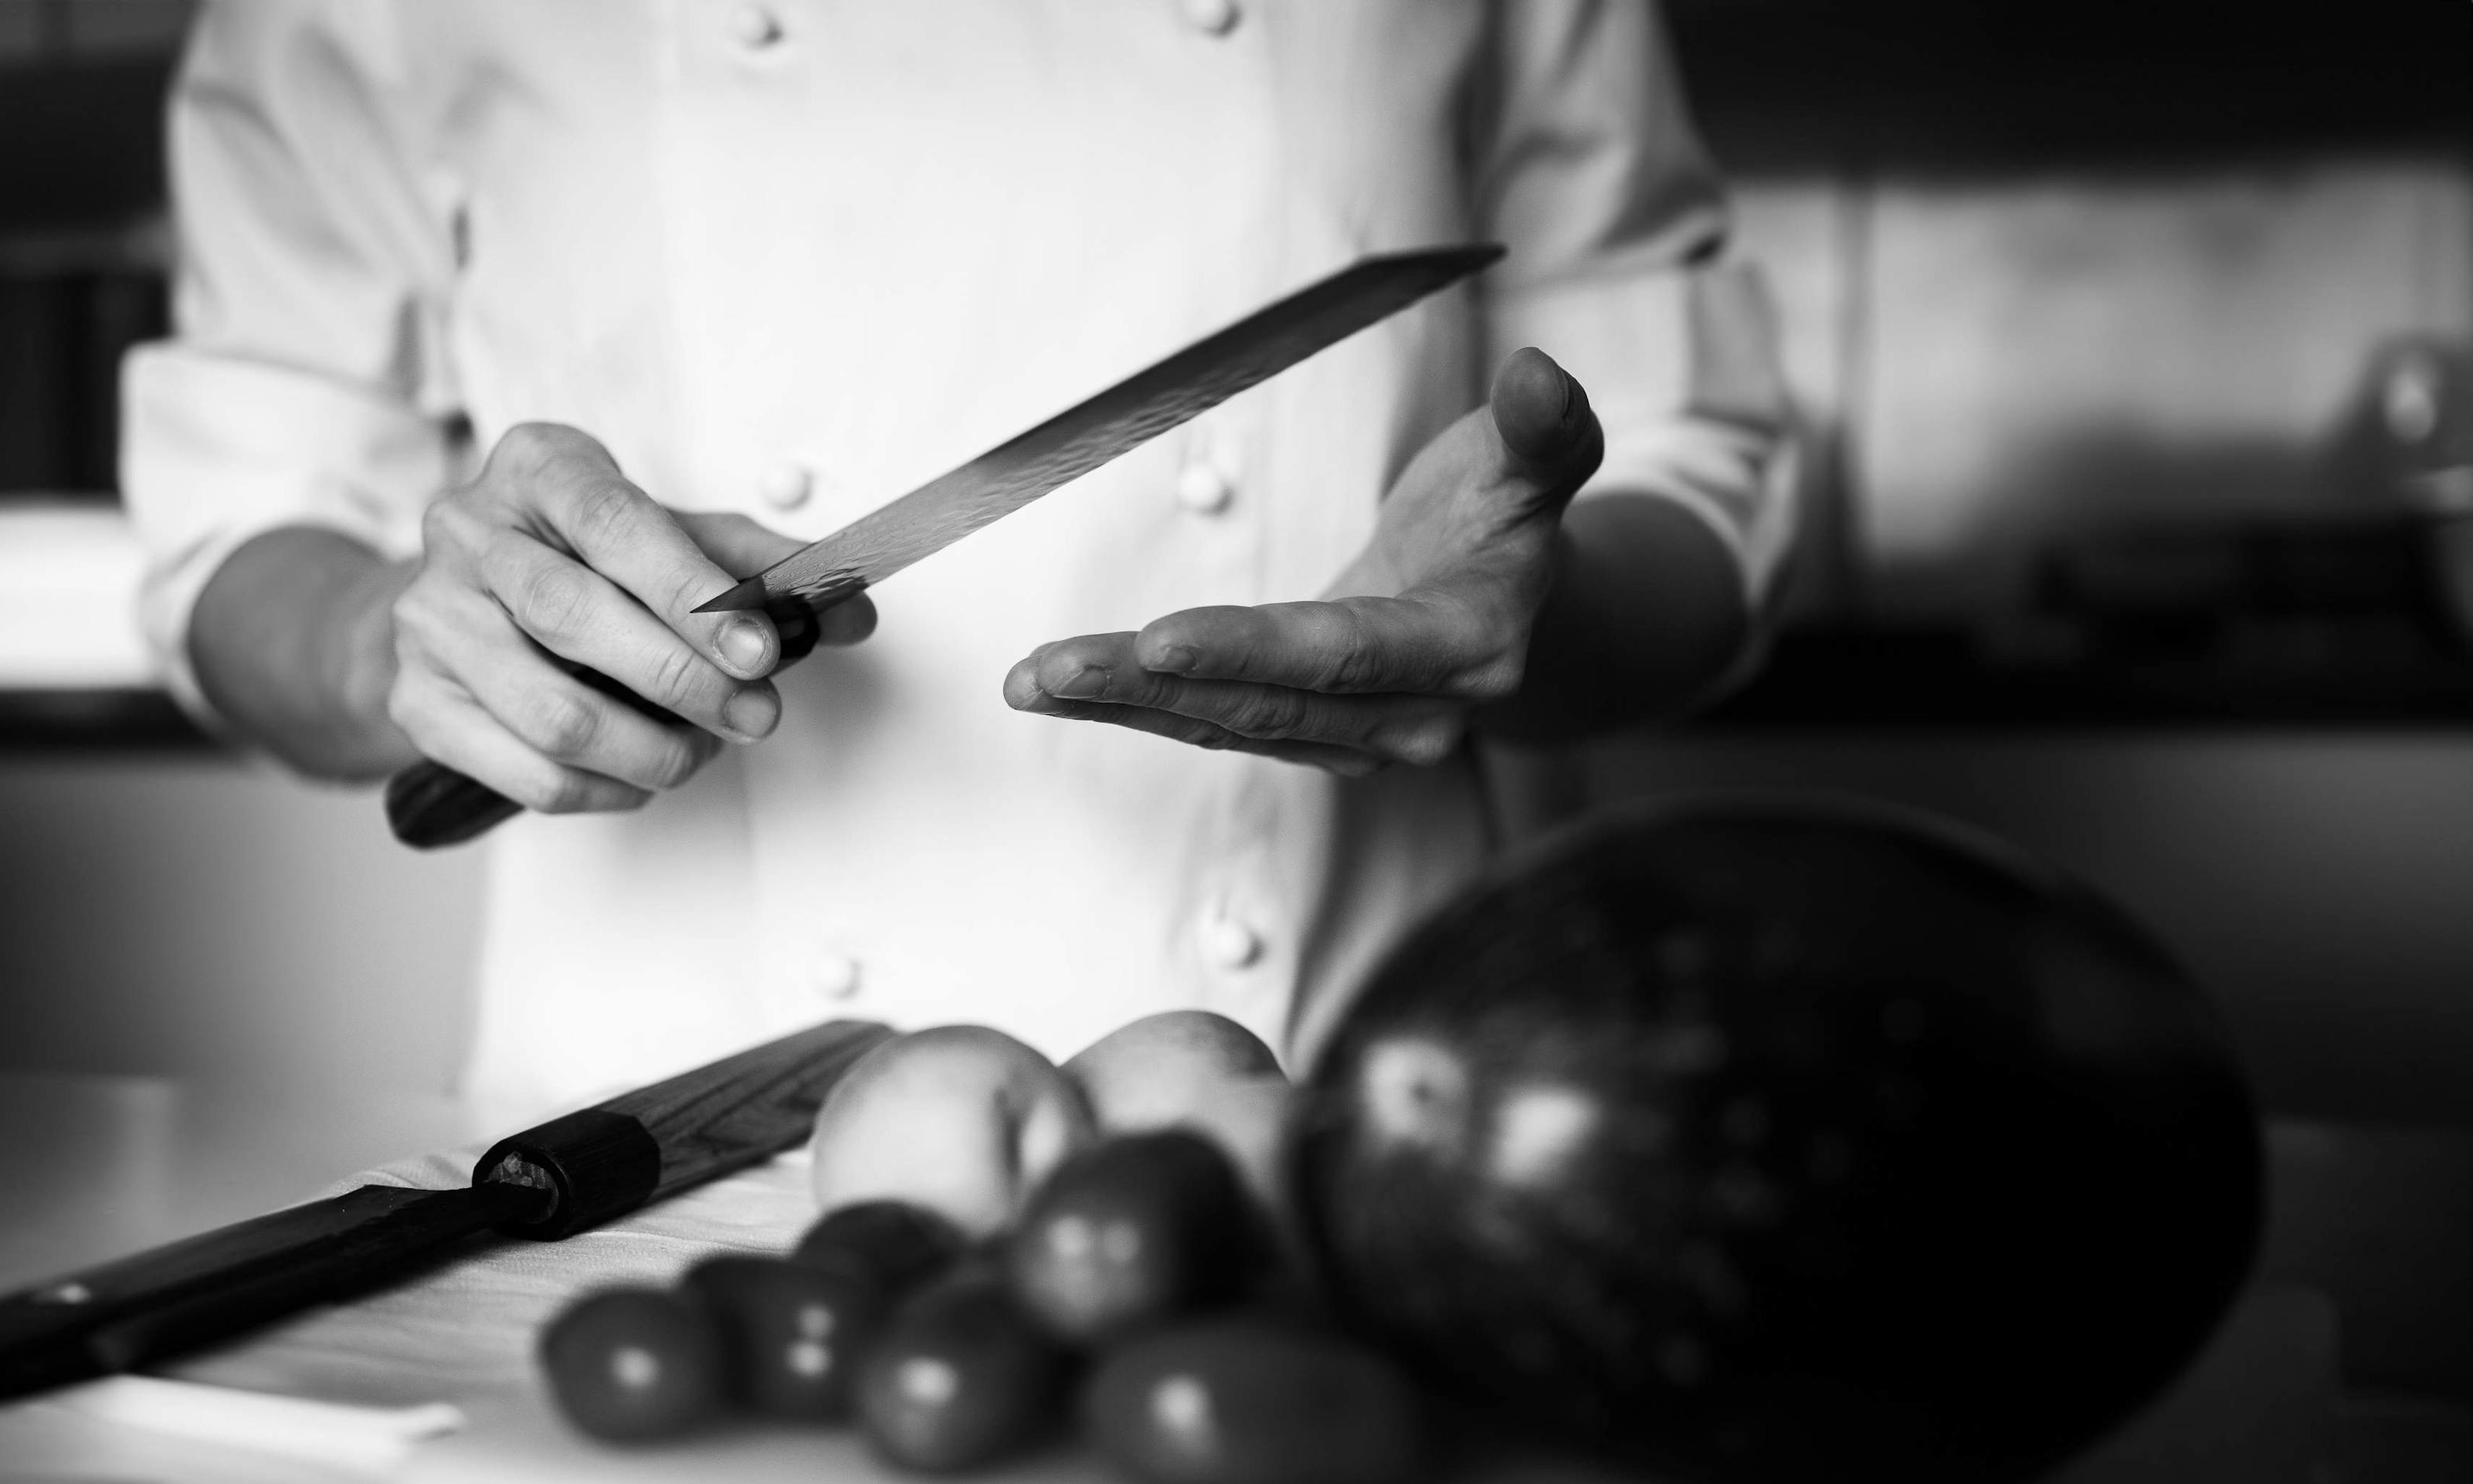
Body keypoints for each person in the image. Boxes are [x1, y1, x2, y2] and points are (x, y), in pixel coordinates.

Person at [124, 0, 1791, 1129]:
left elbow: (1686, 459)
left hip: (1341, 1109)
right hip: (655, 1129)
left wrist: (1526, 607)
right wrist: (398, 651)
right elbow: (243, 515)